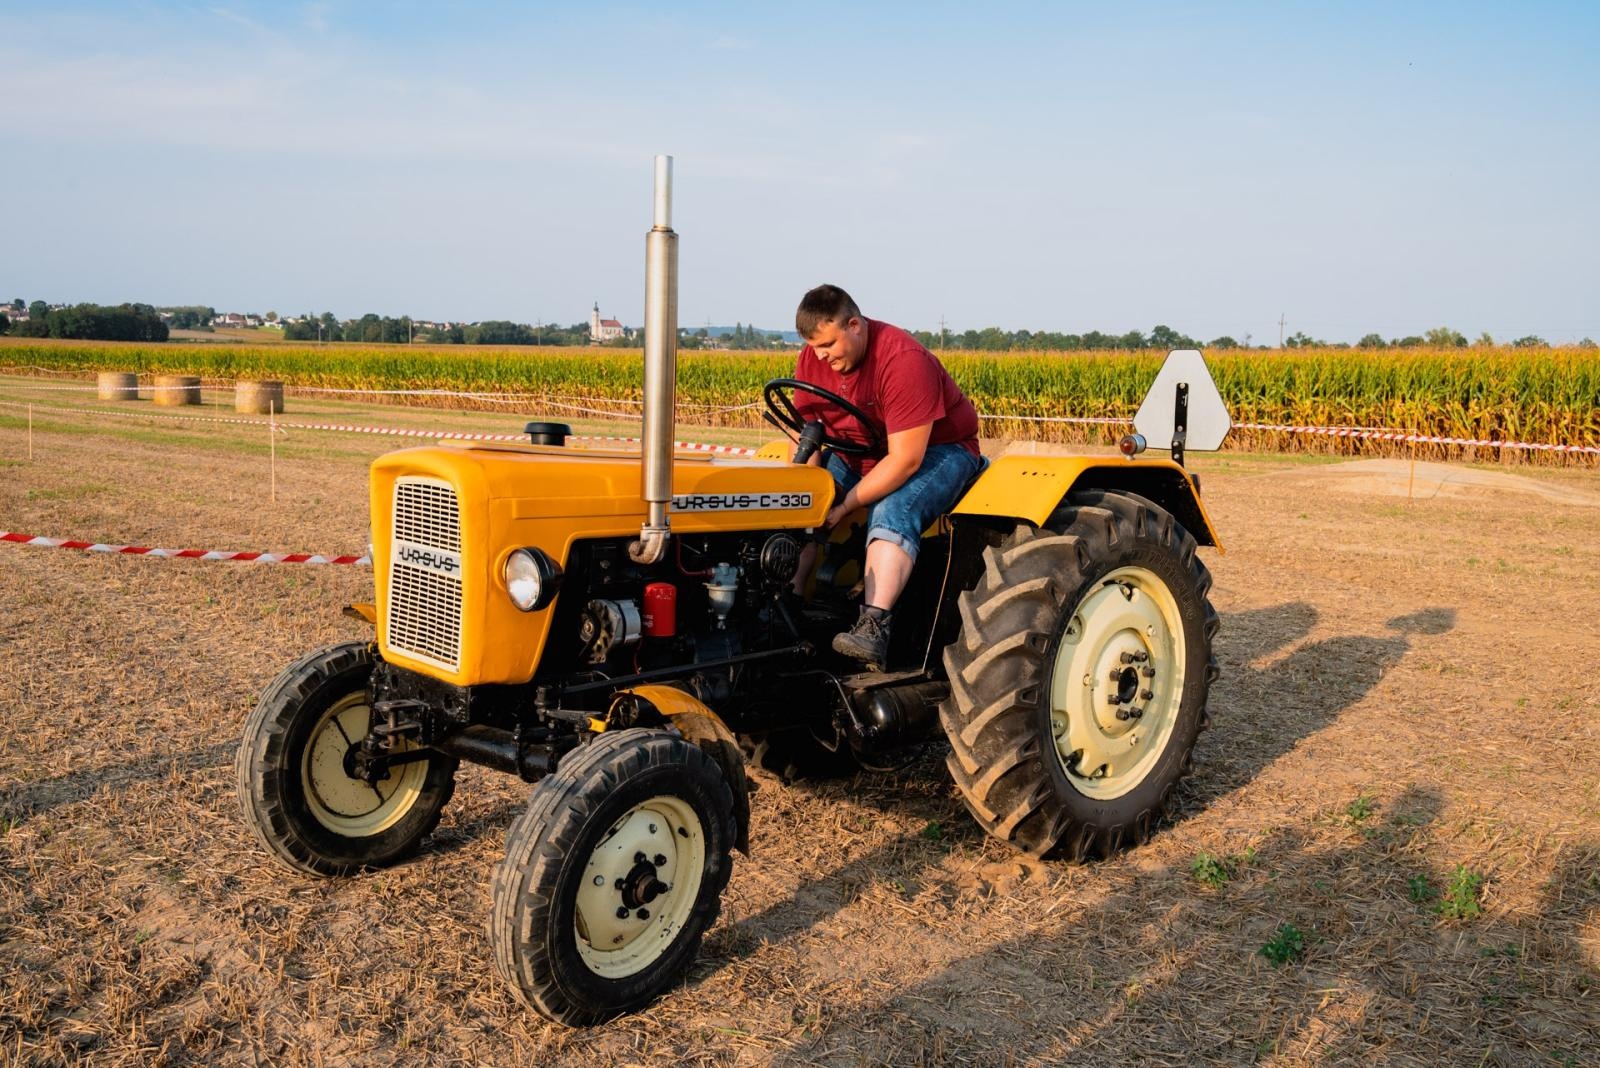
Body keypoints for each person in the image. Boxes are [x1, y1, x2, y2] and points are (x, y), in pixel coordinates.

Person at [788, 284, 984, 667]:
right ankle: (787, 605)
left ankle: (873, 626)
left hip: (939, 450)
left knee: (892, 511)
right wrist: (810, 495)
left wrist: (845, 505)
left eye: (829, 344)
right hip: (858, 451)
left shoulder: (902, 360)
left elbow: (905, 461)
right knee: (797, 508)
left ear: (855, 325)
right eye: (815, 347)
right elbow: (806, 430)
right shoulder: (813, 359)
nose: (822, 356)